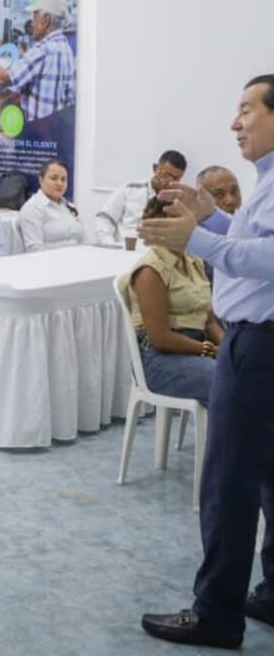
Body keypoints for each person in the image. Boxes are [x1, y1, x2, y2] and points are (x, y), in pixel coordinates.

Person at [138, 75, 274, 649]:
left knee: (228, 483)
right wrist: (210, 221)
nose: (234, 123)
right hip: (258, 343)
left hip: (257, 348)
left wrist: (198, 239)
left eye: (246, 110)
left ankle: (216, 613)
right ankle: (269, 594)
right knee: (268, 479)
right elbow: (252, 244)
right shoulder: (263, 182)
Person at [121, 197, 221, 408]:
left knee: (252, 371)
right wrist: (208, 350)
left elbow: (209, 321)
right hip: (159, 360)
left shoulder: (193, 260)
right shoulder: (150, 269)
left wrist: (227, 347)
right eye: (177, 220)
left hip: (197, 348)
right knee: (226, 380)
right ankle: (231, 441)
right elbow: (161, 337)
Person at [0, 0, 75, 122]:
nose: (32, 22)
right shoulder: (66, 49)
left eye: (34, 16)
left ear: (45, 19)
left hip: (38, 131)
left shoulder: (42, 50)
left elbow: (6, 79)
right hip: (57, 129)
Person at [95, 149, 187, 245]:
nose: (169, 181)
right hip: (124, 249)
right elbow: (104, 218)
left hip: (157, 254)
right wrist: (110, 245)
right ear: (155, 168)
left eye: (176, 178)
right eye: (166, 174)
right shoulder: (130, 189)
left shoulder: (179, 203)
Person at [17, 159, 83, 252]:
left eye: (63, 179)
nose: (59, 183)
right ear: (41, 179)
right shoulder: (32, 208)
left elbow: (80, 240)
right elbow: (34, 249)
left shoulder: (69, 207)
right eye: (53, 178)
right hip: (48, 263)